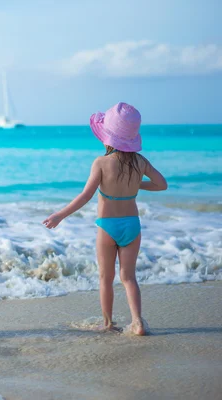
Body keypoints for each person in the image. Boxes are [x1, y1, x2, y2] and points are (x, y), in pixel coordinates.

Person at [43, 103, 167, 335]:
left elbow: (86, 196)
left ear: (108, 137)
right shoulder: (140, 162)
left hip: (108, 227)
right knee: (128, 277)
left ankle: (108, 324)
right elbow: (162, 185)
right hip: (132, 225)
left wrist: (60, 215)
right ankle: (138, 321)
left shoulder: (101, 162)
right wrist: (137, 183)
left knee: (105, 278)